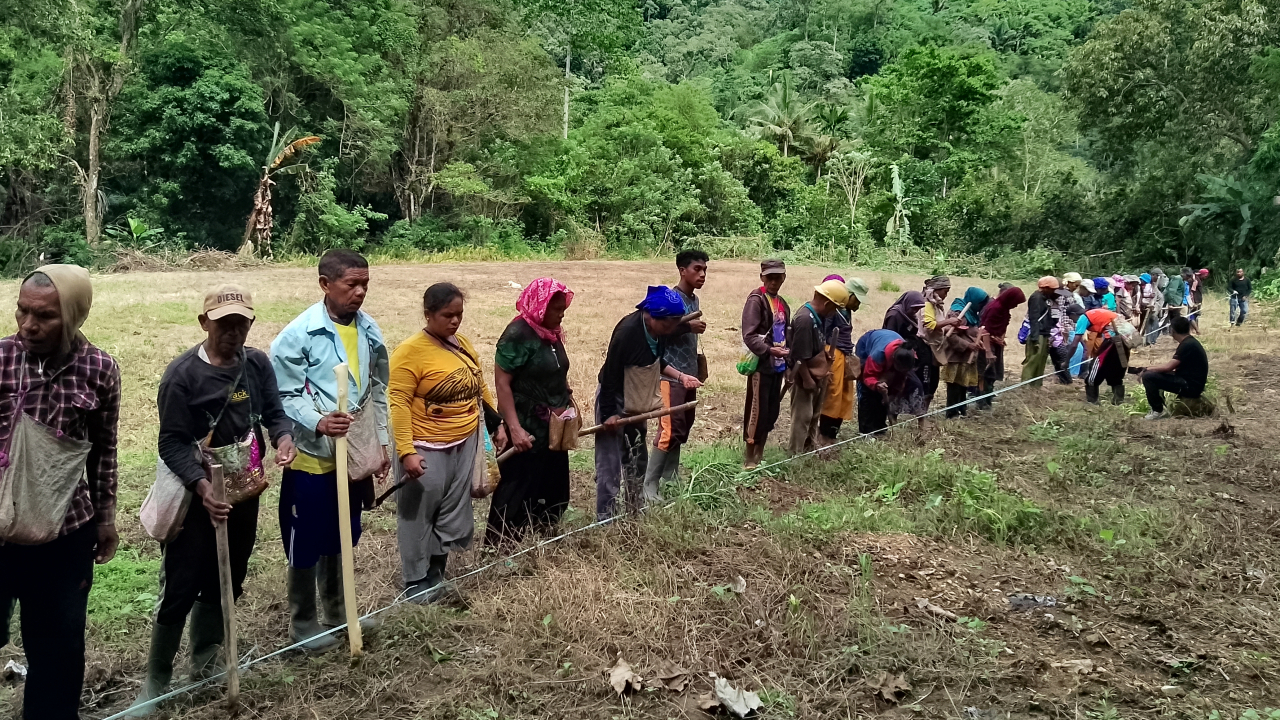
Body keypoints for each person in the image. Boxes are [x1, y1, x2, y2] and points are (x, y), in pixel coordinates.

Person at [129, 286, 296, 715]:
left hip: (243, 491)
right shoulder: (182, 375)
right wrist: (202, 487)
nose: (233, 332)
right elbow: (171, 442)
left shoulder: (256, 364)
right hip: (195, 497)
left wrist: (283, 438)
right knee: (181, 583)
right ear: (204, 322)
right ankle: (156, 680)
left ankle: (205, 662)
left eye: (241, 323)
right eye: (224, 324)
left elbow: (275, 412)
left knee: (229, 576)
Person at [0, 266, 120, 720]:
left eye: (45, 316)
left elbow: (104, 450)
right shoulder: (1, 358)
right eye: (22, 311)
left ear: (74, 316)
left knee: (57, 650)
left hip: (64, 532)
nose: (28, 325)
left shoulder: (98, 370)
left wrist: (105, 518)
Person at [270, 249, 390, 650]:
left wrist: (381, 443)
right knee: (306, 536)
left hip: (352, 456)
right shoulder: (299, 335)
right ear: (325, 284)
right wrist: (318, 421)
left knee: (343, 533)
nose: (360, 292)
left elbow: (377, 390)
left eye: (365, 284)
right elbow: (282, 395)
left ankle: (339, 613)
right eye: (351, 284)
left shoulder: (369, 330)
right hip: (311, 457)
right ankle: (303, 624)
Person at [390, 283, 502, 602]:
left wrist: (496, 423)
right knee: (418, 515)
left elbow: (479, 385)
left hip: (463, 443)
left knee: (450, 509)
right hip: (425, 447)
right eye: (447, 315)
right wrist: (407, 452)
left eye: (459, 315)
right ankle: (415, 582)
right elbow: (398, 403)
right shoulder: (409, 352)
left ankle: (436, 575)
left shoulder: (462, 344)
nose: (455, 321)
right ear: (428, 314)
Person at [487, 277, 575, 546]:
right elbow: (502, 384)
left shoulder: (551, 334)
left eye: (563, 309)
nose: (561, 315)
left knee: (553, 486)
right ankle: (502, 548)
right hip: (526, 425)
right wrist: (514, 428)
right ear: (540, 306)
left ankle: (543, 541)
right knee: (517, 486)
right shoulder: (518, 335)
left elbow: (556, 372)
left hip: (554, 427)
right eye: (556, 309)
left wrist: (567, 400)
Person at [596, 286, 689, 519]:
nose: (671, 329)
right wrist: (608, 413)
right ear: (651, 316)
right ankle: (606, 517)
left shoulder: (661, 331)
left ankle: (634, 510)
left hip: (638, 398)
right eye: (668, 324)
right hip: (614, 397)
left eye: (674, 324)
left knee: (637, 457)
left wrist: (681, 377)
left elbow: (657, 360)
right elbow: (610, 374)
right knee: (610, 461)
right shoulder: (627, 331)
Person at [645, 250, 707, 499]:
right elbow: (658, 330)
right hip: (670, 374)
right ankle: (649, 485)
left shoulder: (694, 300)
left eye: (704, 270)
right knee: (668, 429)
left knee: (682, 426)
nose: (702, 274)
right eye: (696, 269)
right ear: (682, 271)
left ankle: (670, 475)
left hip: (688, 374)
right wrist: (687, 327)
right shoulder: (671, 300)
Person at [788, 279, 850, 454]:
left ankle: (808, 448)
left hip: (816, 373)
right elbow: (799, 355)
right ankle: (795, 454)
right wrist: (807, 379)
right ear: (827, 303)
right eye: (834, 308)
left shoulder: (817, 317)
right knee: (802, 417)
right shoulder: (805, 320)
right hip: (803, 376)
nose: (833, 313)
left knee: (814, 415)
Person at [741, 260, 791, 469]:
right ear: (762, 277)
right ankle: (749, 457)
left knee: (771, 410)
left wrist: (787, 362)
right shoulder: (756, 300)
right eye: (769, 277)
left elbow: (787, 333)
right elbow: (749, 336)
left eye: (777, 277)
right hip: (761, 365)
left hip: (777, 365)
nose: (773, 282)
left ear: (784, 278)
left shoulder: (782, 303)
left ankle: (760, 454)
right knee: (757, 410)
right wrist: (770, 350)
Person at [818, 277, 869, 445]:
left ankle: (833, 434)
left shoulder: (847, 311)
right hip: (832, 354)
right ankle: (823, 436)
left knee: (844, 396)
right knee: (832, 395)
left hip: (845, 355)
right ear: (849, 295)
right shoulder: (833, 310)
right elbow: (823, 334)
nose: (858, 305)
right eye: (857, 300)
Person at [1141, 316, 1208, 419]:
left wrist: (1146, 369)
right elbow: (1170, 367)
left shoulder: (1187, 345)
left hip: (1190, 386)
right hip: (1191, 382)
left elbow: (1168, 367)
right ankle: (1160, 407)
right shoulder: (1189, 342)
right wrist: (1150, 368)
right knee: (1154, 374)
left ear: (1173, 330)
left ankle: (1158, 410)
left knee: (1148, 376)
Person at [855, 329, 920, 435]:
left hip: (889, 351)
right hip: (866, 346)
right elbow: (868, 376)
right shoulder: (878, 355)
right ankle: (866, 430)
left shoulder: (909, 355)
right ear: (893, 360)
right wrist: (877, 384)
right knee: (868, 392)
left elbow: (901, 380)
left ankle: (880, 428)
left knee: (885, 394)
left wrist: (891, 396)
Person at [976, 285, 1026, 410]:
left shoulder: (1003, 309)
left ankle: (988, 400)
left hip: (995, 344)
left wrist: (1000, 338)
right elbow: (984, 330)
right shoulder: (995, 308)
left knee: (993, 373)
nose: (1016, 306)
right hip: (986, 345)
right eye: (1015, 303)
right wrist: (988, 352)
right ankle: (982, 401)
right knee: (985, 373)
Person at [941, 287, 988, 418]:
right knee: (955, 386)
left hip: (966, 357)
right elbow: (950, 335)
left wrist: (977, 343)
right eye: (980, 304)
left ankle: (961, 410)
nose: (980, 307)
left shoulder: (971, 313)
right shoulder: (959, 313)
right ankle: (952, 413)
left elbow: (970, 331)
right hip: (956, 357)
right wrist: (968, 345)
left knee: (963, 384)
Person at [1066, 308, 1128, 405]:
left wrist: (1066, 361)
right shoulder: (1094, 313)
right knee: (1115, 368)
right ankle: (1118, 400)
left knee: (1096, 366)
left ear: (1074, 313)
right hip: (1125, 339)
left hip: (1113, 340)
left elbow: (1074, 344)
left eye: (1071, 317)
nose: (1073, 321)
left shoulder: (1083, 318)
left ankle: (1092, 401)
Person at [915, 275, 954, 409]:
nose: (946, 295)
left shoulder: (936, 305)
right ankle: (920, 412)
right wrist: (949, 321)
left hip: (934, 347)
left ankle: (923, 410)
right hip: (925, 347)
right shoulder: (927, 305)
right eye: (945, 291)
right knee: (925, 382)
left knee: (933, 382)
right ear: (936, 290)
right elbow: (929, 325)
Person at [1021, 276, 1061, 386]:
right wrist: (1035, 338)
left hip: (1045, 333)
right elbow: (1034, 318)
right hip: (1037, 333)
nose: (1055, 291)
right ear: (1045, 288)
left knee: (1041, 360)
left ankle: (1036, 385)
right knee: (1033, 359)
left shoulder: (1047, 298)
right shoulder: (1036, 298)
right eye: (1053, 289)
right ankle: (1025, 386)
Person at [1189, 268, 1208, 334]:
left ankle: (1194, 330)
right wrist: (1193, 302)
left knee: (1196, 315)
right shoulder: (1195, 280)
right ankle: (1195, 330)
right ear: (1201, 274)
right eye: (1205, 275)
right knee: (1191, 315)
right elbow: (1192, 291)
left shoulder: (1199, 279)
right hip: (1195, 301)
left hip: (1198, 301)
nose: (1206, 277)